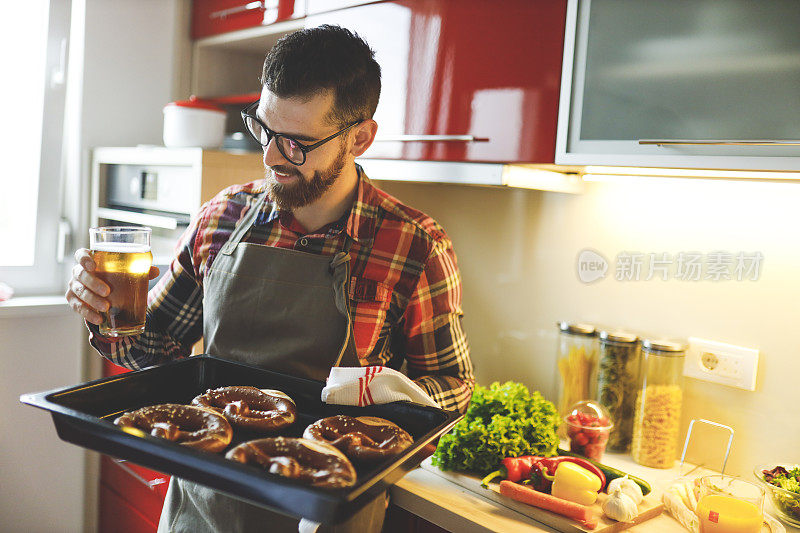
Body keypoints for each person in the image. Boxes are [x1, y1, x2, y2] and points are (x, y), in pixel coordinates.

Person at [65, 24, 474, 532]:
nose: (272, 157)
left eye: (298, 143)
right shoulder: (221, 218)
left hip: (328, 514)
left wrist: (374, 391)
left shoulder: (415, 247)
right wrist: (108, 315)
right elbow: (157, 350)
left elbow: (455, 389)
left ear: (360, 138)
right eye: (264, 129)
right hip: (203, 510)